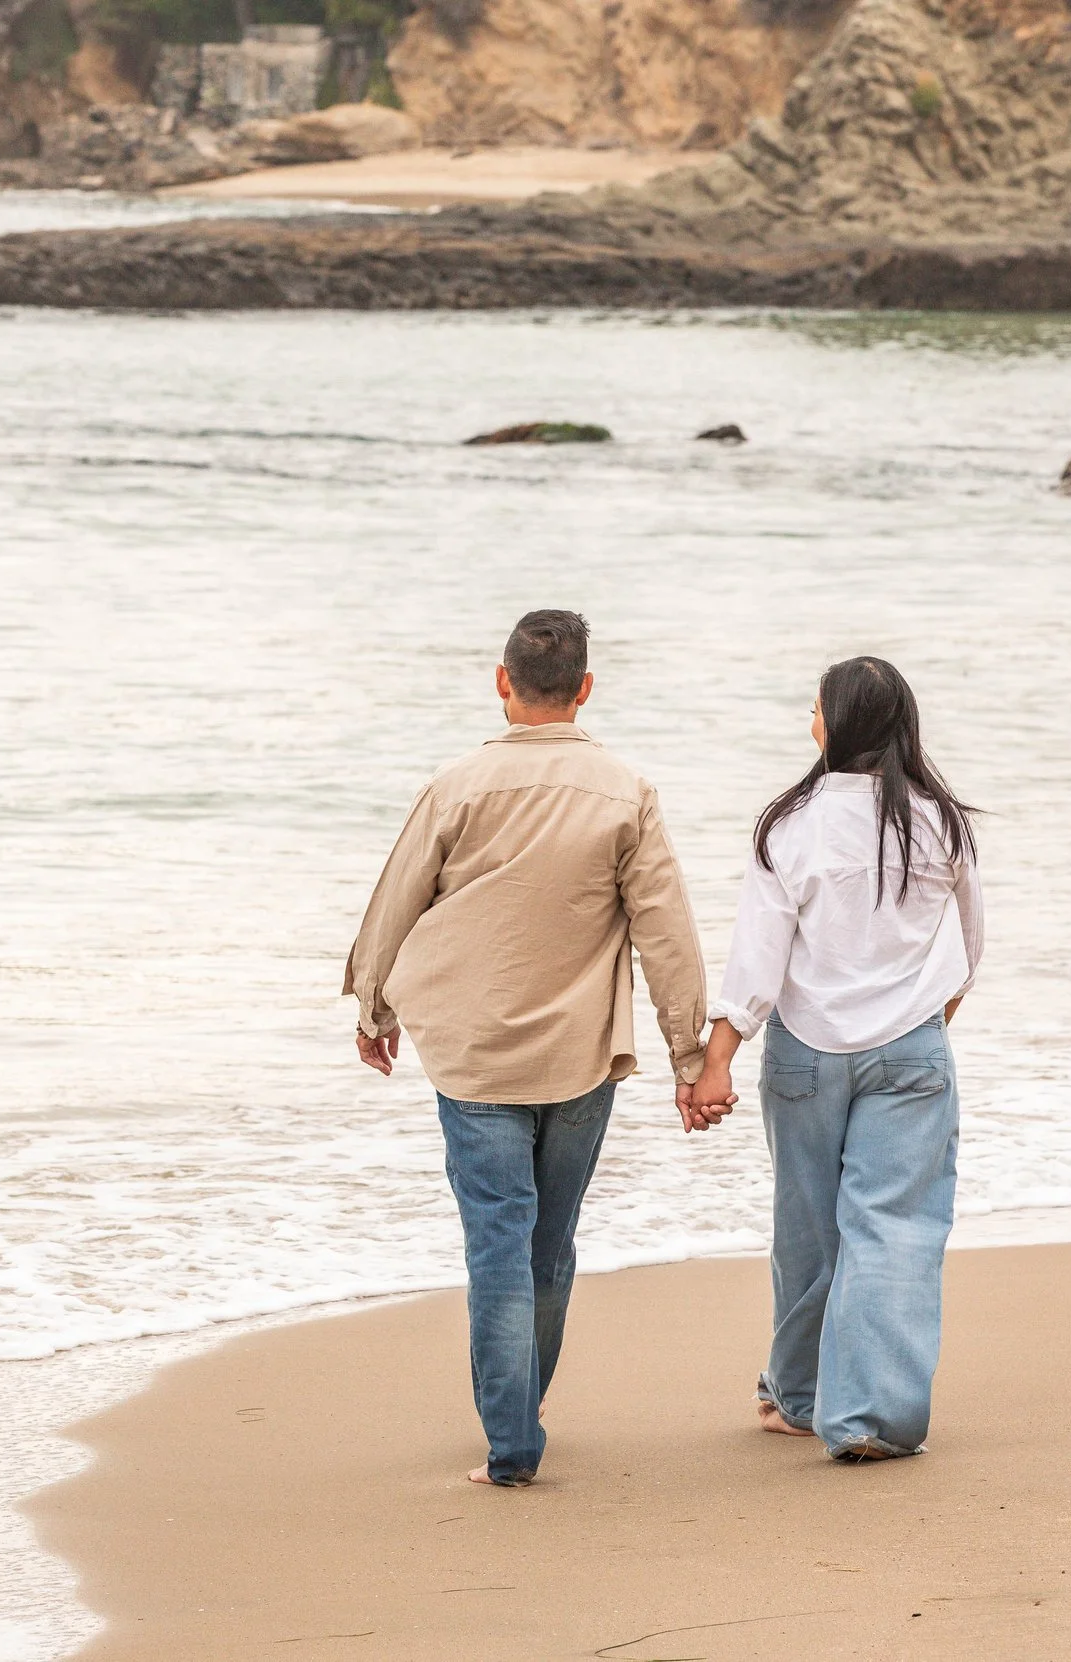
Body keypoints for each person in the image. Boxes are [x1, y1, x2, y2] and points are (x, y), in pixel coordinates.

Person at [344, 610, 721, 1488]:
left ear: (501, 682)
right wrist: (687, 1051)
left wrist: (373, 1009)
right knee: (549, 1243)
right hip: (581, 1054)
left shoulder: (457, 785)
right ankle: (525, 1404)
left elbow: (395, 900)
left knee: (495, 1242)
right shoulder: (627, 791)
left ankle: (511, 1441)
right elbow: (666, 930)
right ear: (586, 687)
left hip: (475, 1054)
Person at [688, 654, 982, 1462]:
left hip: (805, 1056)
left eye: (815, 708)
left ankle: (803, 1398)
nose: (808, 721)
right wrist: (926, 1021)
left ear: (840, 722)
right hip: (912, 1052)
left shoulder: (790, 824)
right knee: (894, 1230)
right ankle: (870, 1419)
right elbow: (971, 946)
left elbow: (756, 964)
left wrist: (715, 1062)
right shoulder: (941, 820)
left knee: (808, 1232)